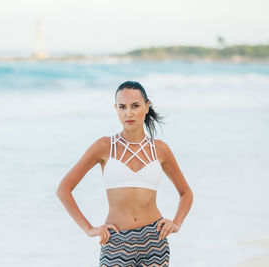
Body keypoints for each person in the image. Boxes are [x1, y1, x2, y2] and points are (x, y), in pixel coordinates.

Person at [56, 81, 193, 267]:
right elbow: (63, 189)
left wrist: (176, 223)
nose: (128, 113)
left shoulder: (160, 149)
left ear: (146, 107)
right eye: (122, 107)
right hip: (116, 241)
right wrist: (88, 229)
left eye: (135, 106)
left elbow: (186, 193)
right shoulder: (104, 146)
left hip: (154, 239)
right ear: (116, 109)